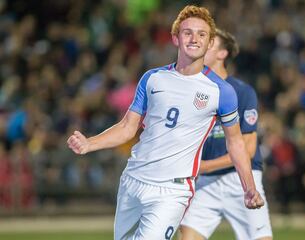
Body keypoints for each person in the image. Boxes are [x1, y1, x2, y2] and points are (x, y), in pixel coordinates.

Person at [67, 5, 264, 240]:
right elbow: (127, 127)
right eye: (187, 32)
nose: (194, 39)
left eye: (202, 34)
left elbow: (236, 143)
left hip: (173, 189)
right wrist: (90, 143)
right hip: (133, 179)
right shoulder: (152, 78)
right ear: (175, 38)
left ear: (211, 42)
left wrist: (249, 187)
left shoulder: (222, 92)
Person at [180, 29, 273, 240]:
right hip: (205, 183)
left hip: (239, 179)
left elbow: (248, 150)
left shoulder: (242, 92)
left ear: (223, 54)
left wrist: (200, 166)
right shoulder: (191, 91)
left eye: (210, 43)